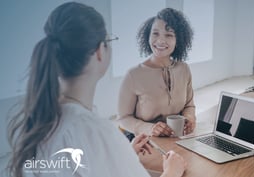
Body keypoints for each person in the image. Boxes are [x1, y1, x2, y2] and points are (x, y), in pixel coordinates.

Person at [7, 2, 186, 177]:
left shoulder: (37, 121)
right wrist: (172, 171)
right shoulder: (98, 132)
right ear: (100, 51)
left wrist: (123, 156)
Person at [117, 8, 196, 138]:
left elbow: (189, 105)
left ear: (178, 40)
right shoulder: (133, 74)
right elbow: (123, 118)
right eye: (155, 33)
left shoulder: (184, 69)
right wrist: (149, 128)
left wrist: (189, 118)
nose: (160, 40)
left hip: (175, 138)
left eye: (169, 35)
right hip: (143, 141)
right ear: (148, 36)